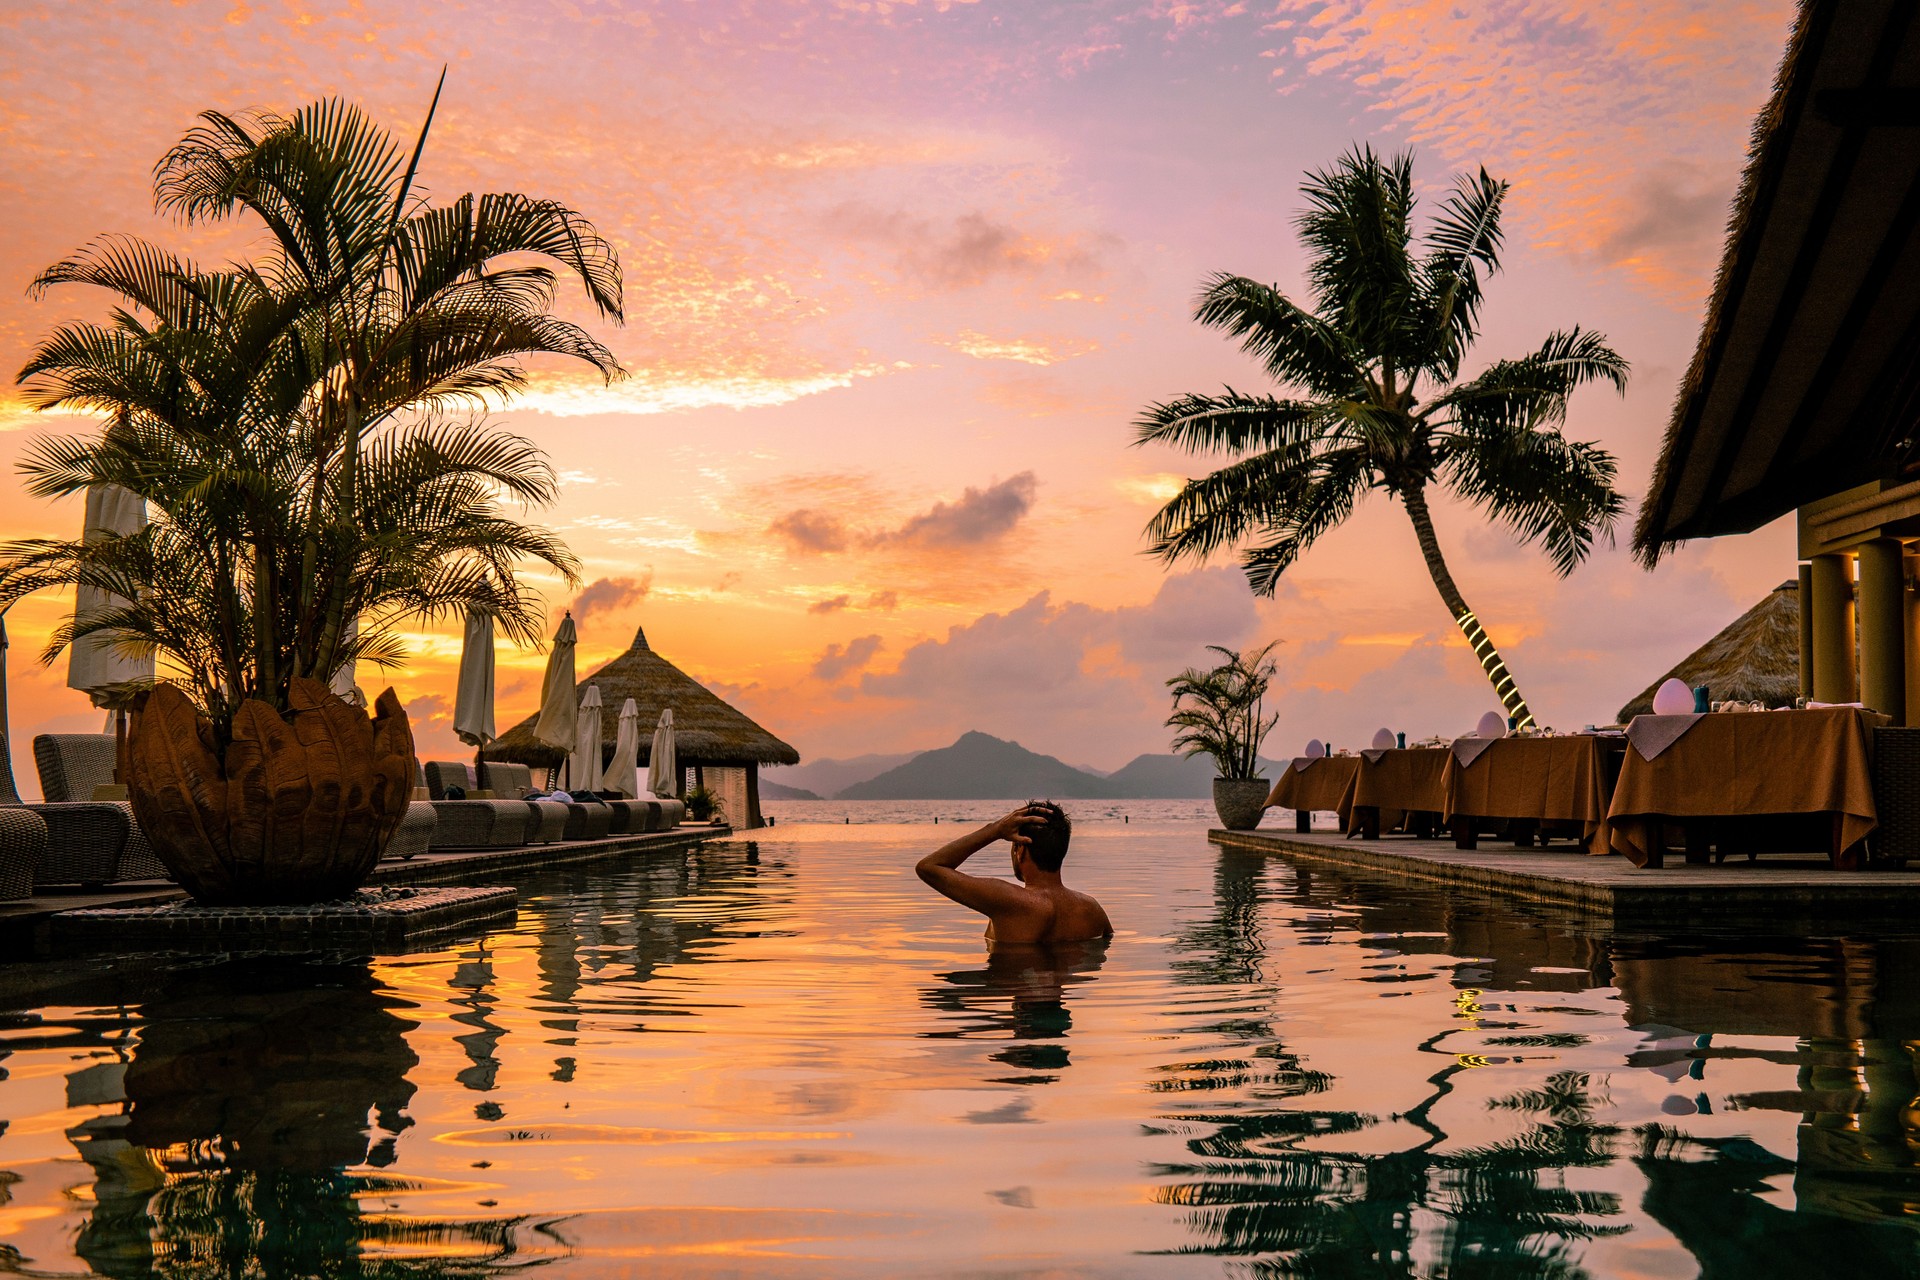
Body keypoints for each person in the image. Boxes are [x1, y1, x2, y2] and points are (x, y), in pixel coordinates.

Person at [915, 802, 1112, 945]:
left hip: (1013, 985)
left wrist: (995, 830)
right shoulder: (1092, 910)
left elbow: (929, 867)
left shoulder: (1008, 901)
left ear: (1021, 850)